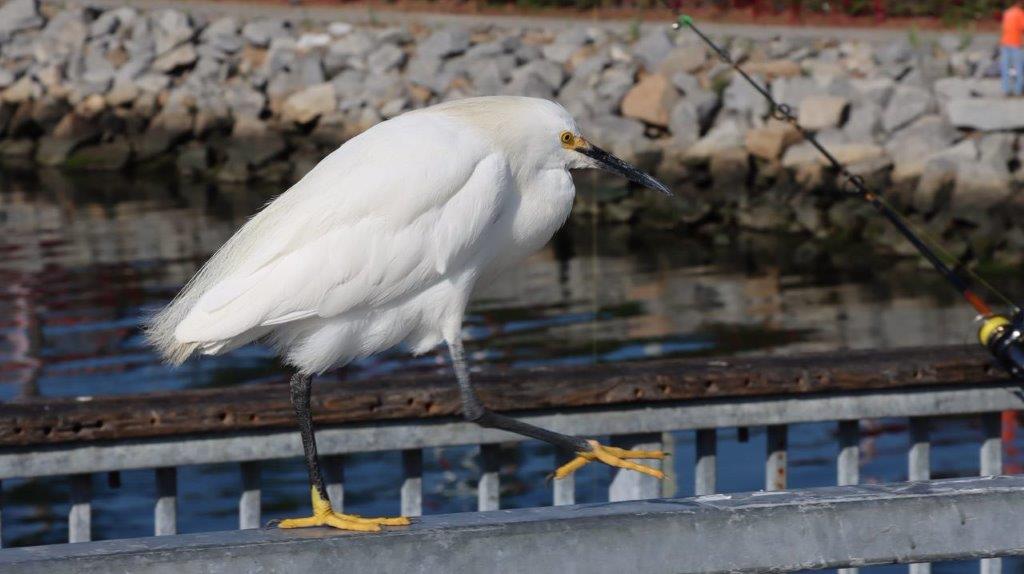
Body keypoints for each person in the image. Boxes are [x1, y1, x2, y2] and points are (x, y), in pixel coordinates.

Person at [1001, 1, 1024, 97]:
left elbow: (1004, 27)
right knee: (1018, 67)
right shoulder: (1020, 13)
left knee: (1006, 67)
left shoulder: (1007, 12)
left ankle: (1006, 89)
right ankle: (1018, 90)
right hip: (1015, 43)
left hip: (1005, 43)